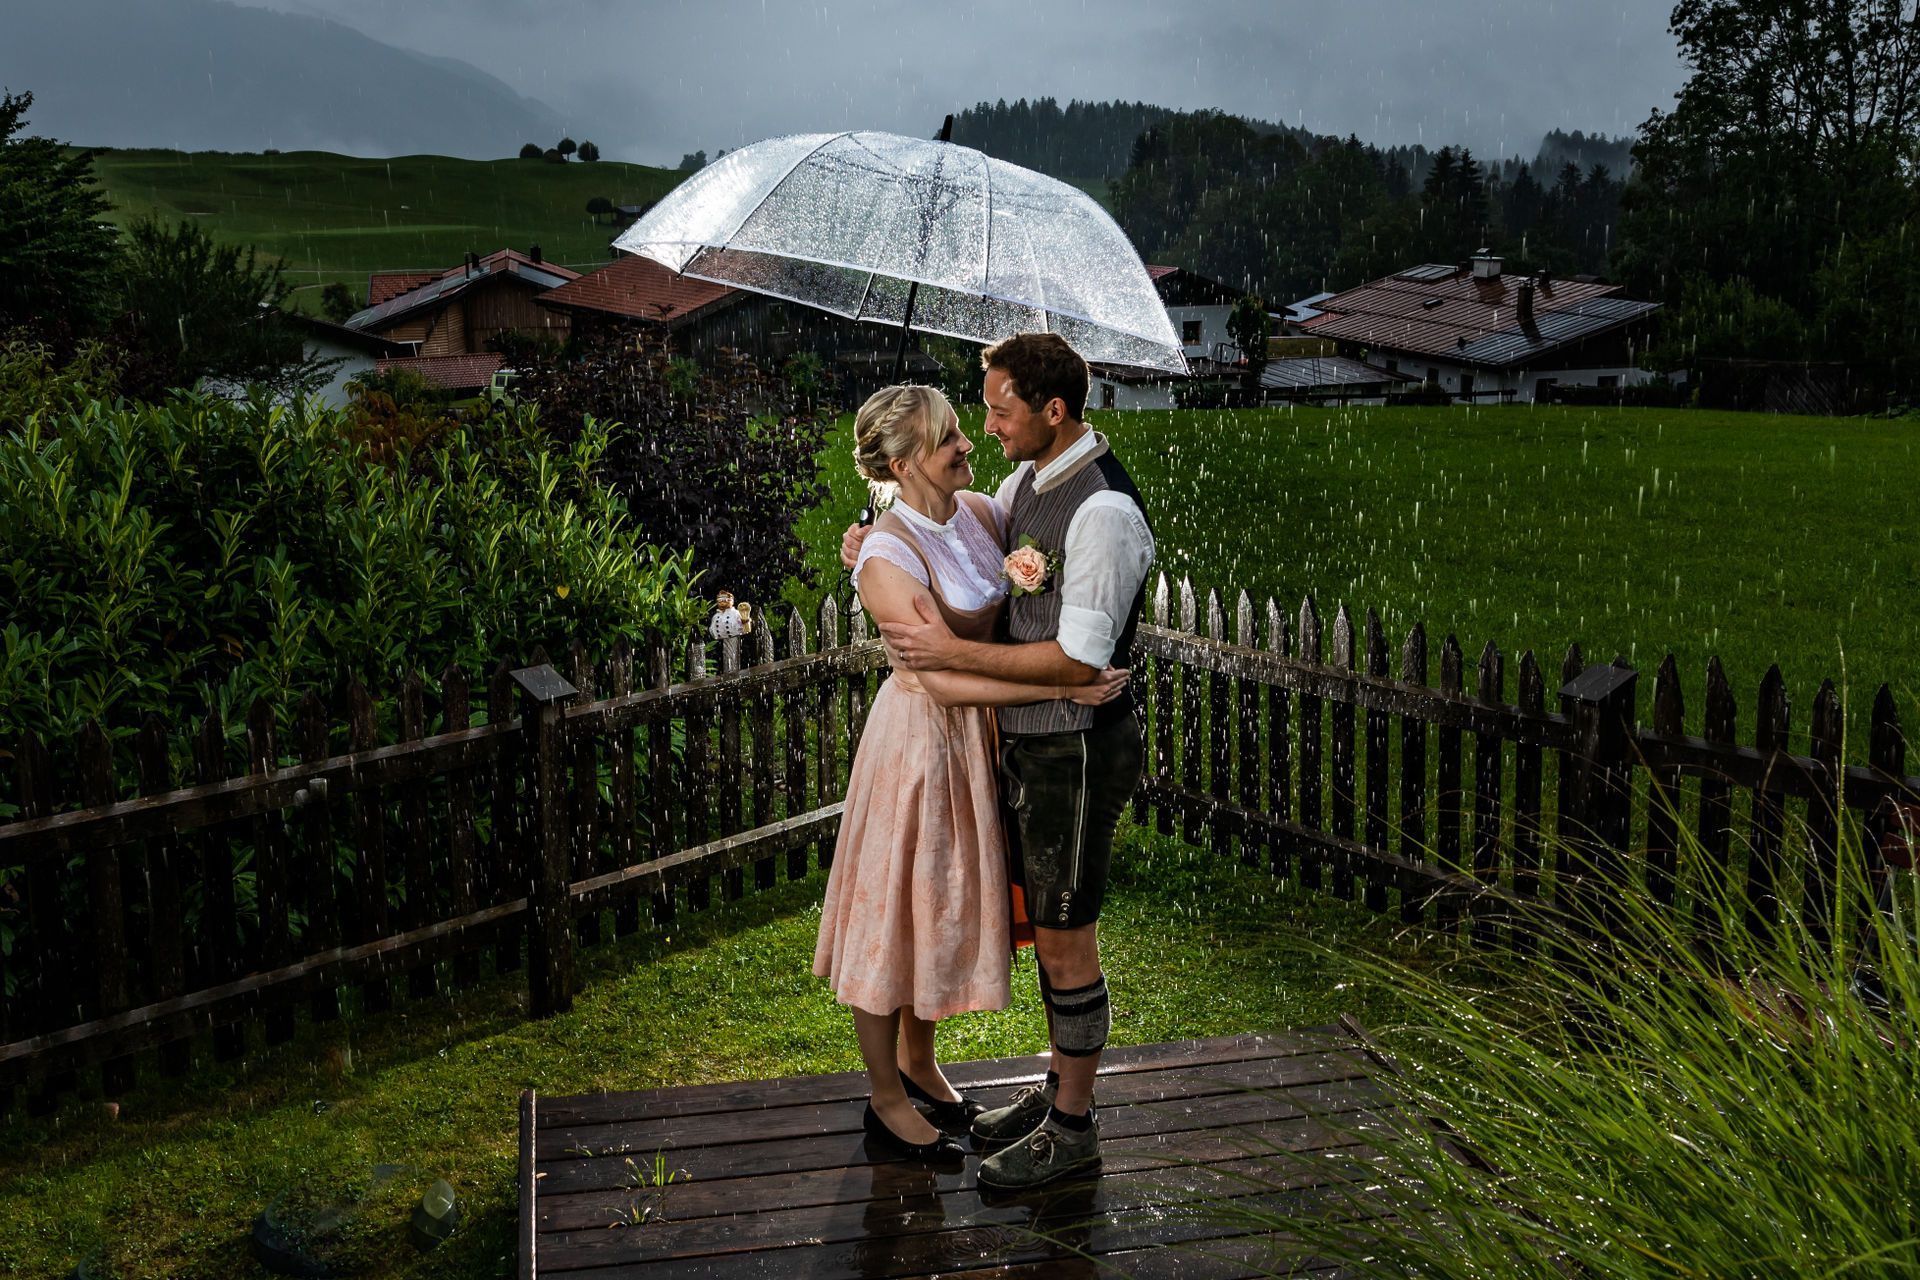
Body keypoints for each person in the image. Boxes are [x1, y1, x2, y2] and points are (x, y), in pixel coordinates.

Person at [844, 334, 1155, 1192]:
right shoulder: (1024, 487)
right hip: (956, 746)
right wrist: (874, 535)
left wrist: (951, 652)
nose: (981, 430)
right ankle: (1033, 1093)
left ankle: (1073, 1123)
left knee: (1062, 938)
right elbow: (930, 638)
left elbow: (1076, 663)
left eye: (997, 408)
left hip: (1068, 748)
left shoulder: (1092, 511)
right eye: (965, 420)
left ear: (1052, 412)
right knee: (923, 919)